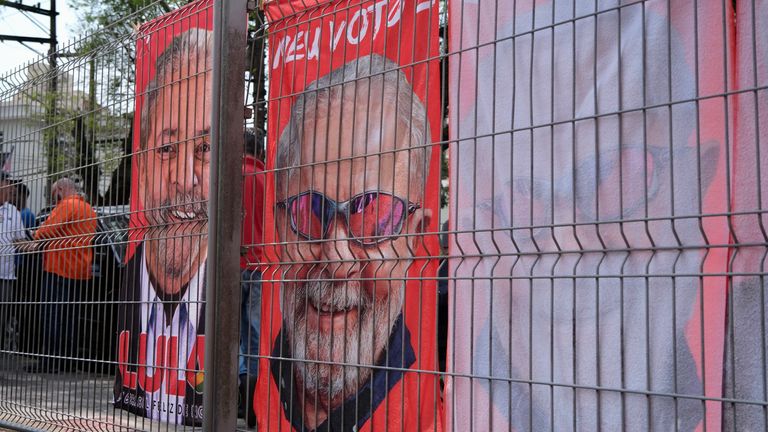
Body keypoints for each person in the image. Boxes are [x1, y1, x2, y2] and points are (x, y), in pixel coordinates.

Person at [266, 54, 434, 431]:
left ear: (415, 238)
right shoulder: (265, 379)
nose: (337, 259)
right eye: (310, 211)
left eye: (373, 215)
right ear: (279, 228)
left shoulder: (432, 409)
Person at [114, 27, 212, 425]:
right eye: (167, 149)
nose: (186, 178)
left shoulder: (231, 303)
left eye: (205, 149)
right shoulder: (125, 289)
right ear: (140, 164)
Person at [26, 177, 97, 372]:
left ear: (61, 189)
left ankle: (51, 362)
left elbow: (48, 229)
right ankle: (68, 360)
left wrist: (36, 236)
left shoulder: (67, 205)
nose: (54, 199)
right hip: (80, 271)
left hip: (59, 267)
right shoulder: (88, 209)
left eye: (54, 194)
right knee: (70, 319)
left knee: (52, 315)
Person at [238, 129, 264, 427]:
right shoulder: (268, 179)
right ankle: (252, 409)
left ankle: (232, 399)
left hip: (230, 265)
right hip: (260, 265)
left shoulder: (229, 178)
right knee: (255, 335)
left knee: (229, 334)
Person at [0, 172, 26, 352]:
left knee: (2, 319)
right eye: (8, 184)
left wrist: (39, 245)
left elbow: (20, 240)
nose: (12, 189)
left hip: (7, 275)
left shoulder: (13, 211)